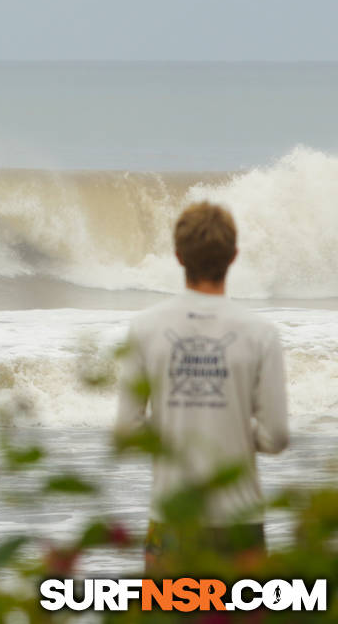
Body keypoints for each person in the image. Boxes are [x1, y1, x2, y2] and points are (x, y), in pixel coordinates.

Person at [115, 202, 288, 573]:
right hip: (240, 522)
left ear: (178, 257)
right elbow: (276, 437)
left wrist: (176, 426)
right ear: (234, 256)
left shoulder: (145, 327)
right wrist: (235, 429)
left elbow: (127, 428)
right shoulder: (261, 334)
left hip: (172, 516)